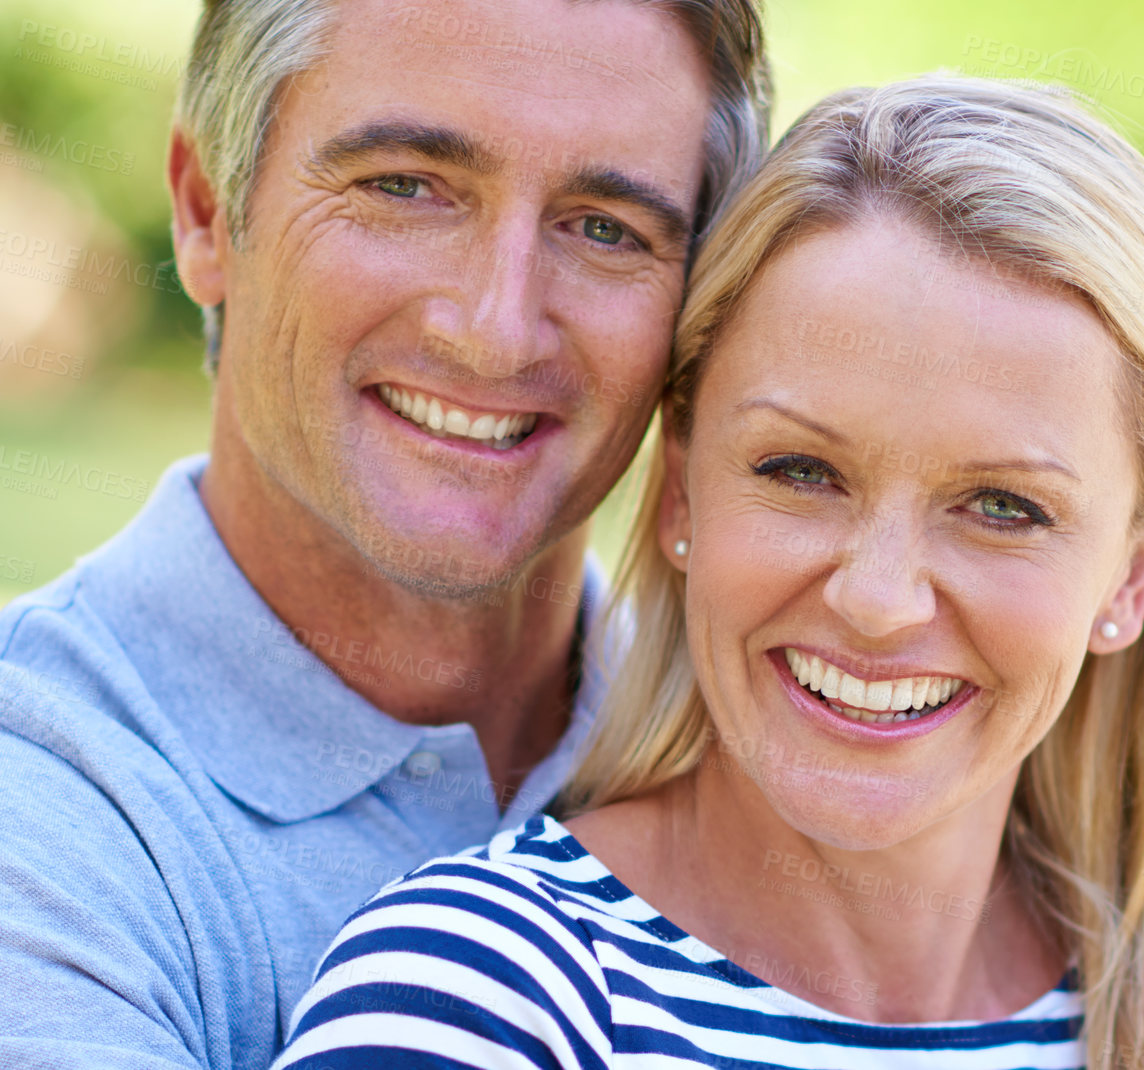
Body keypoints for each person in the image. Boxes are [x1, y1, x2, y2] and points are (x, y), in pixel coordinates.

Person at [274, 76, 1144, 1070]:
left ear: (1132, 570)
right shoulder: (482, 999)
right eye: (802, 471)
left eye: (1002, 507)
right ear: (684, 492)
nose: (877, 601)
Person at [0, 1, 766, 1067]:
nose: (496, 328)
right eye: (404, 186)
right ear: (206, 212)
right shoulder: (32, 816)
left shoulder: (783, 755)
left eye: (605, 227)